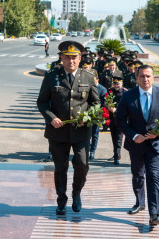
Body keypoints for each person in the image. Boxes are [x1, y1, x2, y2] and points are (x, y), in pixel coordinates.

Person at [37, 40, 100, 216]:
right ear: (61, 58)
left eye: (74, 57)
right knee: (60, 167)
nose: (70, 61)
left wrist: (88, 116)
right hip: (58, 131)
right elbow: (41, 102)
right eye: (67, 58)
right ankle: (61, 199)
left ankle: (77, 193)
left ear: (80, 58)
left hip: (81, 131)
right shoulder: (51, 76)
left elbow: (95, 102)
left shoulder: (88, 77)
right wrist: (51, 118)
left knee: (82, 164)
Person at [116, 64, 159, 226]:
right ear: (136, 78)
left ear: (153, 78)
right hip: (136, 144)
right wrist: (134, 135)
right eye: (142, 76)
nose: (145, 79)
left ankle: (155, 214)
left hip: (155, 144)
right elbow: (119, 120)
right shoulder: (128, 96)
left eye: (148, 76)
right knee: (138, 175)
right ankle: (140, 202)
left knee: (153, 176)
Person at [107, 76, 127, 165]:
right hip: (112, 118)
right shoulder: (110, 91)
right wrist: (109, 107)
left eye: (118, 84)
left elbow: (128, 105)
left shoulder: (126, 92)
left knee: (119, 137)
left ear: (121, 83)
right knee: (113, 136)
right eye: (114, 84)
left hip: (121, 118)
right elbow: (106, 101)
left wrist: (117, 110)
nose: (116, 85)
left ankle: (116, 155)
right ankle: (116, 152)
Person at [89, 75, 107, 160]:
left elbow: (104, 103)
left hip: (97, 115)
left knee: (95, 134)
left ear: (98, 80)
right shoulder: (88, 87)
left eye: (94, 80)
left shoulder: (102, 89)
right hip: (88, 114)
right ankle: (87, 148)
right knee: (87, 133)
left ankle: (92, 151)